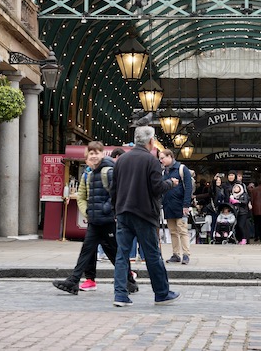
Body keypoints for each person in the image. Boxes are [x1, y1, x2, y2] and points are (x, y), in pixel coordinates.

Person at [53, 142, 138, 295]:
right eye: (91, 153)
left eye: (96, 153)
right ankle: (73, 281)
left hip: (107, 221)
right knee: (86, 252)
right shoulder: (91, 173)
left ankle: (130, 282)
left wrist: (105, 209)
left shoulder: (108, 171)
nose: (94, 156)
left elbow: (118, 193)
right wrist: (89, 211)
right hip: (95, 221)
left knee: (115, 252)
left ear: (102, 154)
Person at [110, 125, 181, 306]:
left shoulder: (121, 160)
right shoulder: (151, 161)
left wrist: (116, 211)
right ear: (151, 141)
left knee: (122, 255)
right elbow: (157, 188)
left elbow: (113, 189)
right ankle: (162, 293)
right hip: (144, 214)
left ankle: (120, 295)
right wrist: (170, 183)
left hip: (124, 213)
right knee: (152, 255)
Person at [160, 148, 193, 265]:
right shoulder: (164, 172)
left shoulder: (182, 169)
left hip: (180, 205)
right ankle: (176, 254)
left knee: (182, 230)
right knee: (173, 231)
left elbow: (188, 188)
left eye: (162, 158)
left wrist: (186, 205)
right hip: (168, 205)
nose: (161, 160)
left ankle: (186, 254)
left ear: (170, 156)